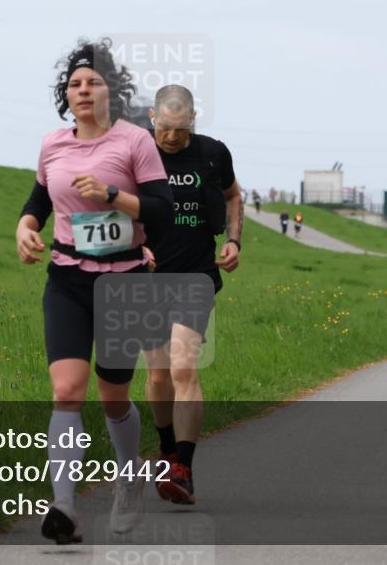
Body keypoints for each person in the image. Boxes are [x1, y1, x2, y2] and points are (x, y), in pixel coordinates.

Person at [16, 38, 174, 543]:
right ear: (67, 96)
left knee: (112, 397)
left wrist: (110, 195)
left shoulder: (135, 141)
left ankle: (128, 483)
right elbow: (41, 193)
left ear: (112, 92)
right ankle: (63, 505)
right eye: (75, 84)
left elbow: (160, 208)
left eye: (93, 83)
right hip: (67, 279)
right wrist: (25, 226)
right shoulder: (52, 143)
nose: (83, 90)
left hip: (125, 280)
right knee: (66, 391)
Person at [142, 84, 242, 505]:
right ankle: (166, 449)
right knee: (158, 375)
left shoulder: (213, 153)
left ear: (193, 119)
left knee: (184, 370)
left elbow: (234, 196)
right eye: (165, 128)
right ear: (152, 118)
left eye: (181, 129)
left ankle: (183, 468)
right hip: (144, 279)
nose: (172, 137)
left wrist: (235, 240)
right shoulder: (135, 151)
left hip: (195, 277)